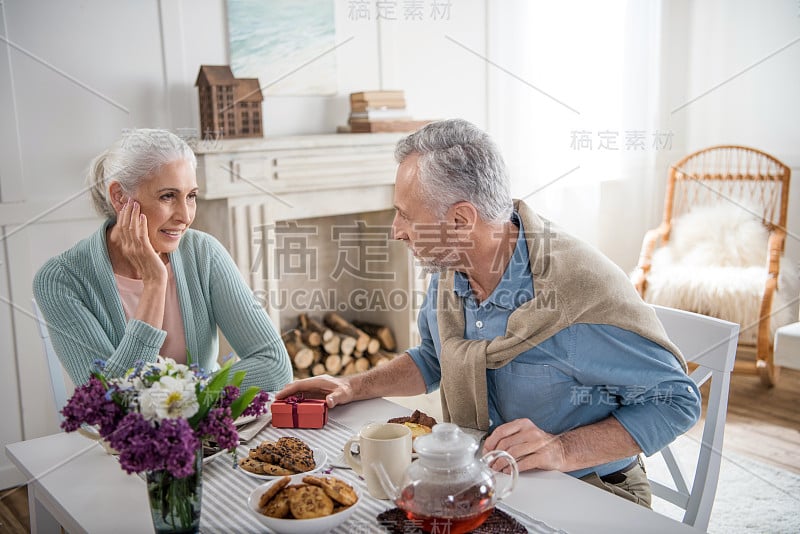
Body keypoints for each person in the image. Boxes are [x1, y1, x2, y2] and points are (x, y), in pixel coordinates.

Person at [277, 119, 701, 507]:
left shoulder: (575, 296)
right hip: (492, 476)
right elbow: (434, 357)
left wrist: (562, 448)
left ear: (461, 220)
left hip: (590, 489)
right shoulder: (452, 269)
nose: (396, 230)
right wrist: (352, 387)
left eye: (405, 214)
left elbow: (676, 401)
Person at [33, 129, 292, 391]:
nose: (185, 216)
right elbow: (109, 402)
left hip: (201, 428)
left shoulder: (204, 253)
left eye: (191, 196)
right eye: (168, 196)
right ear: (120, 197)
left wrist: (181, 400)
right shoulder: (60, 280)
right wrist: (155, 283)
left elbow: (274, 365)